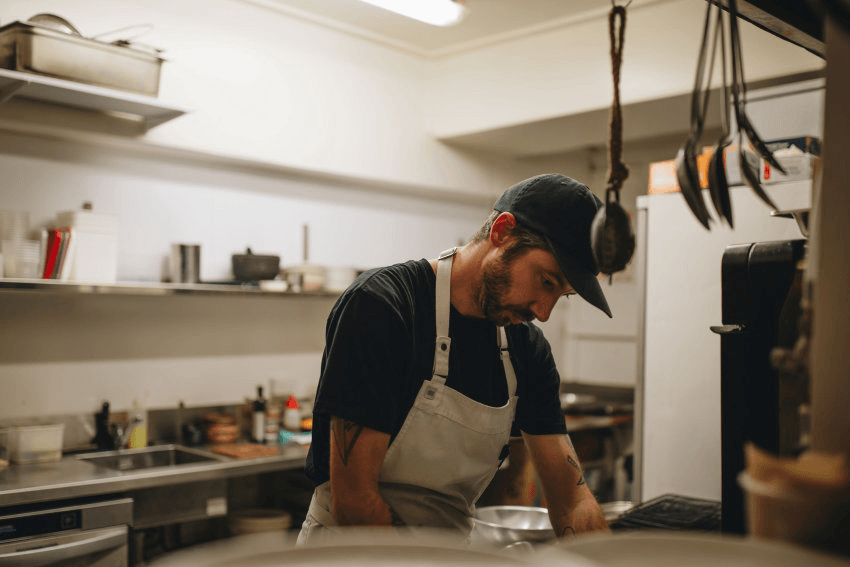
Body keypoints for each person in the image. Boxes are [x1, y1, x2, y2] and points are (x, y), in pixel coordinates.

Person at [297, 173, 612, 544]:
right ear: (502, 232)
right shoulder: (383, 307)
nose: (544, 312)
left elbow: (571, 500)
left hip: (447, 554)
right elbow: (356, 503)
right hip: (351, 552)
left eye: (562, 295)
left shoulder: (526, 350)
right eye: (546, 281)